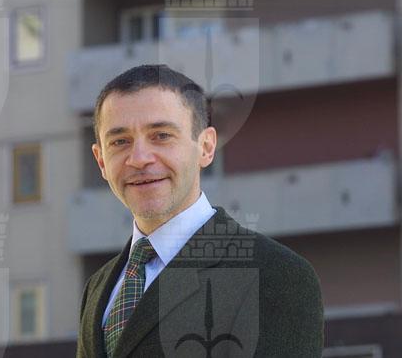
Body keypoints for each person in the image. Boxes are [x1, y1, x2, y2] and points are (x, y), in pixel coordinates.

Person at [76, 65, 323, 358]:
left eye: (161, 135)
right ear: (101, 161)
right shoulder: (98, 288)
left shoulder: (276, 275)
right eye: (120, 142)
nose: (139, 159)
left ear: (205, 147)